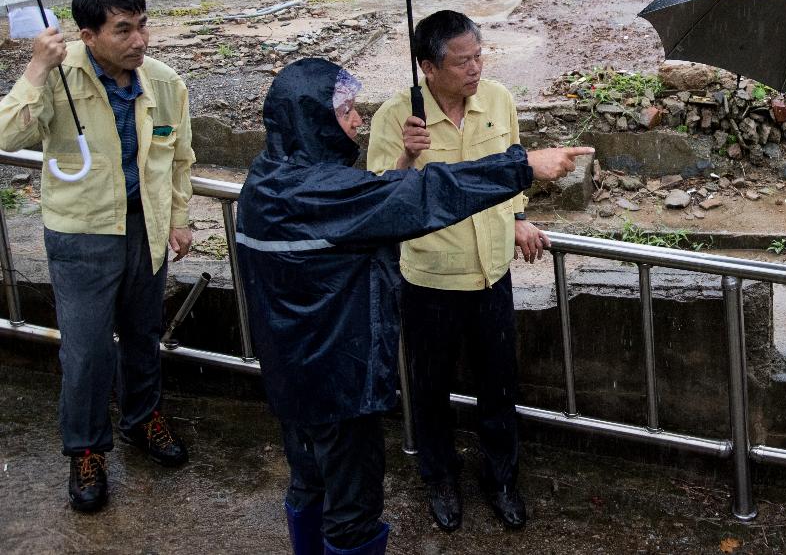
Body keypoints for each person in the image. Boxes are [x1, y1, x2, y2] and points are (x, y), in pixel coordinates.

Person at [235, 57, 590, 555]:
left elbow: (379, 197)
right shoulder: (318, 193)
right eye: (346, 112)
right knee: (352, 509)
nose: (357, 120)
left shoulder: (267, 181)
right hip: (337, 380)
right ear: (312, 119)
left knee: (308, 482)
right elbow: (424, 194)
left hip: (292, 377)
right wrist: (521, 166)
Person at [0, 0, 194, 513]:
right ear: (88, 35)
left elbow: (179, 158)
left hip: (145, 228)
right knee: (86, 351)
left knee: (142, 335)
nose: (139, 40)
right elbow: (6, 134)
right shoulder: (60, 76)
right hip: (82, 233)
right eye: (123, 30)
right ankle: (86, 449)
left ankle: (141, 419)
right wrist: (37, 67)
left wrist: (179, 219)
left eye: (143, 25)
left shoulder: (162, 81)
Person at [366, 10, 549, 533]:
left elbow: (509, 170)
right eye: (461, 61)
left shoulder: (497, 101)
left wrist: (517, 218)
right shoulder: (397, 117)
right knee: (430, 388)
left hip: (491, 272)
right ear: (427, 66)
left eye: (478, 56)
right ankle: (439, 478)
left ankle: (502, 479)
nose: (475, 69)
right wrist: (405, 153)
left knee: (499, 384)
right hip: (429, 278)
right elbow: (377, 200)